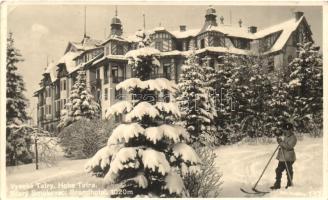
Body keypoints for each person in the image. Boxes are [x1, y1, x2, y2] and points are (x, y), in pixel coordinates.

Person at [270, 122, 297, 190]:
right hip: (282, 157)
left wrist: (281, 142)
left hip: (289, 158)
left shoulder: (293, 138)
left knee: (288, 171)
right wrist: (277, 134)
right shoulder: (285, 135)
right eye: (285, 130)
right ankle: (277, 184)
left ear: (290, 130)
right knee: (278, 170)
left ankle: (289, 184)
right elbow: (279, 133)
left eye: (287, 130)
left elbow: (289, 147)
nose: (285, 131)